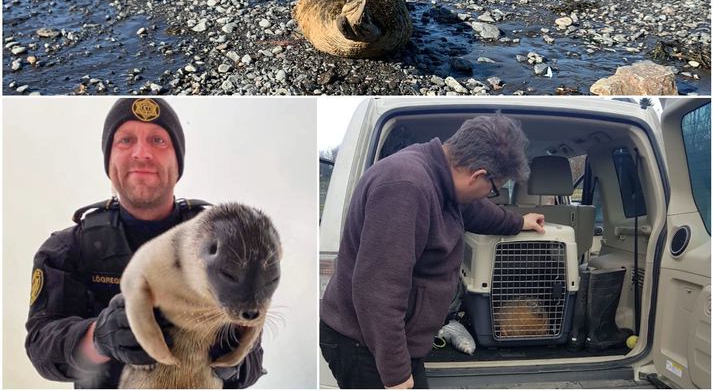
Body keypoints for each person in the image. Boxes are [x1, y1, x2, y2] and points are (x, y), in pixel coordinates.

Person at [25, 98, 264, 388]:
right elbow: (40, 345)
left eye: (158, 140)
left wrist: (230, 358)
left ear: (178, 162)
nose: (142, 153)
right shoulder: (68, 249)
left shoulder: (226, 246)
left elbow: (252, 362)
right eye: (125, 140)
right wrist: (98, 338)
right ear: (108, 160)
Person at [320, 114, 545, 389]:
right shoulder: (405, 187)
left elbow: (474, 208)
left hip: (390, 339)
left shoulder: (441, 178)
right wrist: (396, 375)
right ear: (479, 175)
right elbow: (378, 291)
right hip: (364, 345)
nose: (489, 195)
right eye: (494, 189)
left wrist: (519, 222)